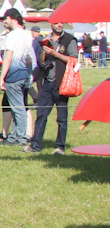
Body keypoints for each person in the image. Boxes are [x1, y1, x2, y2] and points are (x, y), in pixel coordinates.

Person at [30, 19, 77, 154]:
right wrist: (45, 50)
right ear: (51, 24)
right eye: (56, 23)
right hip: (47, 83)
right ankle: (36, 145)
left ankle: (60, 147)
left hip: (62, 83)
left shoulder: (69, 39)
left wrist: (56, 54)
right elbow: (41, 61)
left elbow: (73, 60)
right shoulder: (47, 39)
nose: (60, 25)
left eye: (62, 22)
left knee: (61, 118)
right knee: (41, 115)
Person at [0, 8, 34, 146]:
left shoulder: (11, 36)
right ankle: (14, 136)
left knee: (18, 108)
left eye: (6, 19)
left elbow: (8, 58)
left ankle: (20, 138)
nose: (4, 21)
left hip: (14, 75)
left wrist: (2, 77)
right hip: (24, 74)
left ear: (12, 18)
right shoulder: (28, 35)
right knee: (18, 106)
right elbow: (29, 59)